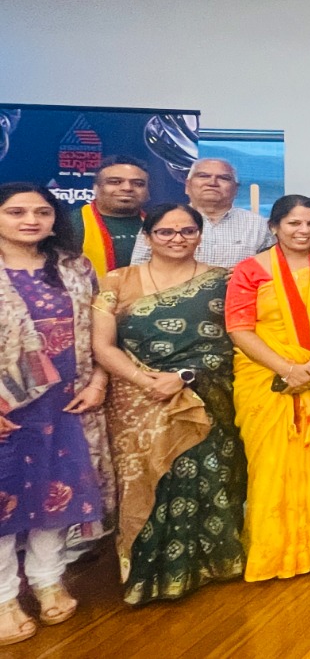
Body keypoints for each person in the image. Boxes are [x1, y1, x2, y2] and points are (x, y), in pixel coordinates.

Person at [90, 203, 245, 604]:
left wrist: (184, 376)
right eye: (166, 232)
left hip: (204, 395)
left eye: (187, 231)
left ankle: (214, 563)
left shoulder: (224, 281)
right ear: (148, 236)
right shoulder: (117, 280)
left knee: (209, 474)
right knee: (147, 481)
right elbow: (103, 346)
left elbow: (235, 342)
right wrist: (145, 380)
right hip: (137, 397)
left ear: (199, 235)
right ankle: (150, 575)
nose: (178, 239)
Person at [0, 184, 112, 644]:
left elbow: (103, 333)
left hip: (68, 401)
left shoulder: (75, 267)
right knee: (4, 499)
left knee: (57, 492)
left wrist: (98, 383)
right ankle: (4, 597)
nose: (31, 220)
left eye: (41, 212)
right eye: (16, 212)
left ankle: (48, 579)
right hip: (8, 408)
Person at [225, 194, 310, 581]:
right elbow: (239, 329)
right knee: (269, 467)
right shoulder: (250, 270)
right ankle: (270, 552)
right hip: (264, 378)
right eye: (294, 223)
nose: (304, 230)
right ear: (274, 227)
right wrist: (287, 369)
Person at [131, 158, 271, 268]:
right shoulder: (161, 220)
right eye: (203, 176)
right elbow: (137, 269)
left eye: (223, 178)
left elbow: (271, 270)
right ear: (187, 185)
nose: (212, 182)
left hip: (238, 295)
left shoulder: (257, 224)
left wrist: (246, 275)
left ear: (236, 189)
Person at [67, 155, 149, 277]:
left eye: (138, 184)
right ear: (96, 188)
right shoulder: (69, 224)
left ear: (147, 191)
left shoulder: (159, 224)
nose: (127, 188)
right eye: (115, 182)